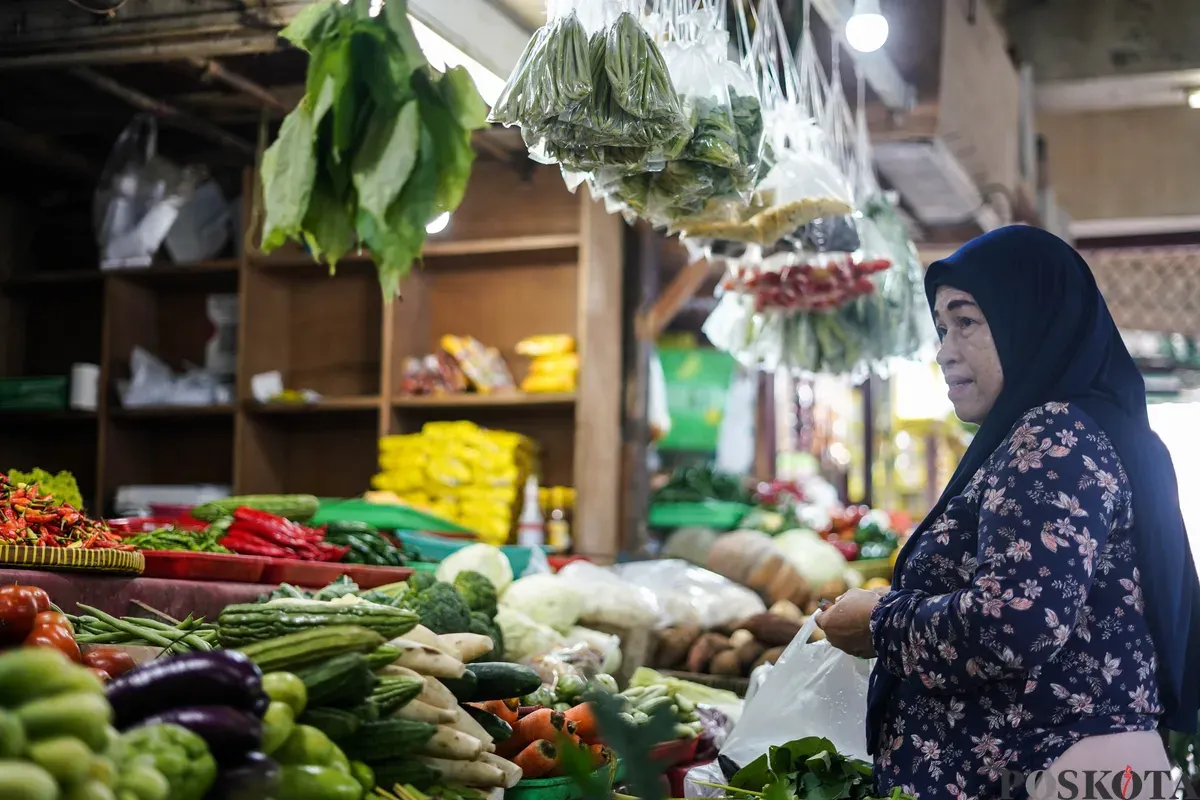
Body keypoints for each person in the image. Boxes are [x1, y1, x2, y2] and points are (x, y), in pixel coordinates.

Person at [816, 226, 1200, 799]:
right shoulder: (1084, 431)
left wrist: (879, 622)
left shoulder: (1054, 437)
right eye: (942, 327)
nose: (945, 350)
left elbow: (1017, 620)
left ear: (1031, 318)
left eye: (966, 321)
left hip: (1055, 772)